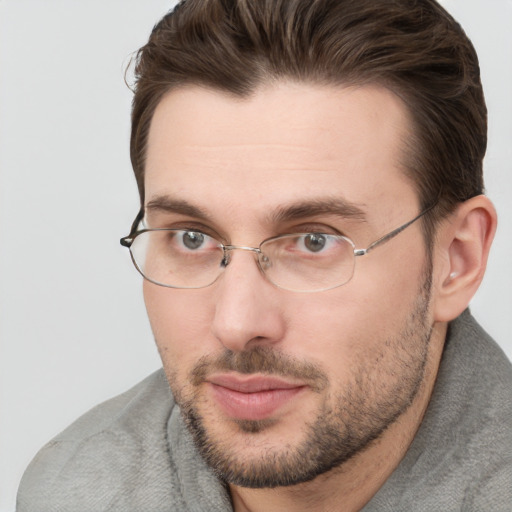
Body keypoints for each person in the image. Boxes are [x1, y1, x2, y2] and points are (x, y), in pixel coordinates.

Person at [16, 0, 512, 510]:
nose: (236, 323)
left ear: (457, 260)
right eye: (192, 238)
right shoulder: (70, 486)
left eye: (314, 241)